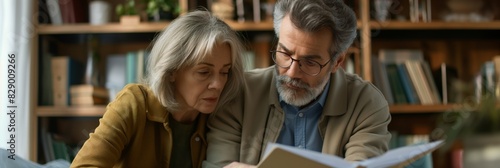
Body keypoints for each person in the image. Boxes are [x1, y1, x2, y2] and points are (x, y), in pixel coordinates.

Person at [204, 0, 392, 167]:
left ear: (337, 62)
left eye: (310, 62)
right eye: (285, 53)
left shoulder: (366, 103)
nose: (292, 72)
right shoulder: (238, 93)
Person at [71, 10, 246, 168]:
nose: (218, 84)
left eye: (225, 72)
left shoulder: (220, 119)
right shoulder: (134, 103)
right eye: (204, 72)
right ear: (171, 71)